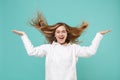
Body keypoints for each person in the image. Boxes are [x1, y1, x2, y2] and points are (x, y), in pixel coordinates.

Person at [12, 13, 111, 80]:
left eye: (63, 31)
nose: (61, 34)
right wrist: (23, 36)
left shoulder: (74, 48)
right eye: (58, 32)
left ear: (67, 34)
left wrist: (99, 35)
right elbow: (31, 51)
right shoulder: (48, 48)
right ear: (54, 35)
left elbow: (90, 51)